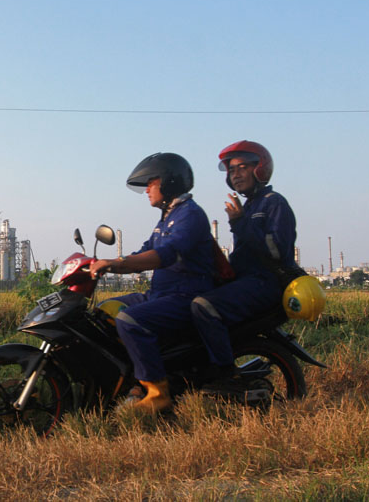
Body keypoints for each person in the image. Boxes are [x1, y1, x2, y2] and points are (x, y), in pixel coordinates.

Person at [90, 152, 216, 414]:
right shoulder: (168, 216)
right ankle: (133, 378)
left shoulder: (190, 215)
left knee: (129, 320)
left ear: (169, 182)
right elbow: (146, 250)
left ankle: (158, 393)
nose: (147, 189)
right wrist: (108, 262)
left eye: (151, 182)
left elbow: (165, 254)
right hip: (160, 293)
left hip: (185, 295)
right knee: (105, 312)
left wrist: (116, 264)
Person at [191, 140, 298, 391]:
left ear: (259, 169)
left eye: (241, 168)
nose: (235, 175)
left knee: (204, 307)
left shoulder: (273, 203)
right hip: (247, 280)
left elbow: (276, 251)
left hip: (266, 283)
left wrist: (239, 223)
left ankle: (224, 373)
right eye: (231, 170)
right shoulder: (249, 206)